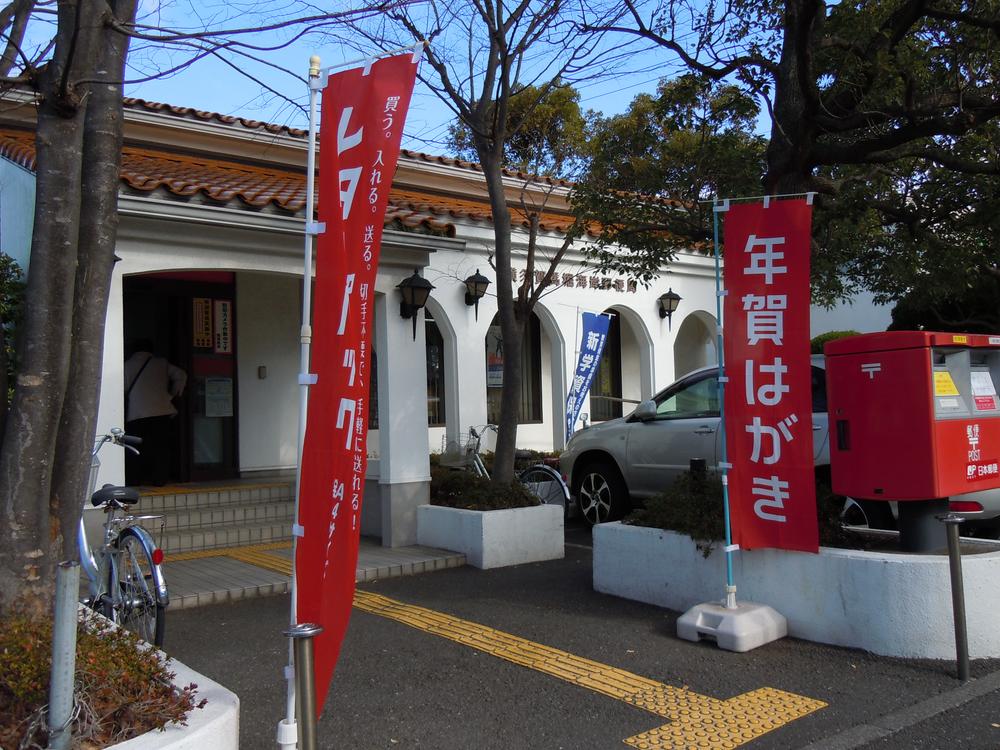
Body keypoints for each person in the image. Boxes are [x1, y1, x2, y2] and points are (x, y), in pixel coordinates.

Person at [124, 339, 187, 486]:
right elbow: (181, 375)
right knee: (160, 447)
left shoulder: (127, 366)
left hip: (136, 414)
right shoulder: (161, 363)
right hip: (161, 412)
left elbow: (123, 388)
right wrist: (172, 394)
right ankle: (160, 479)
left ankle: (135, 479)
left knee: (136, 448)